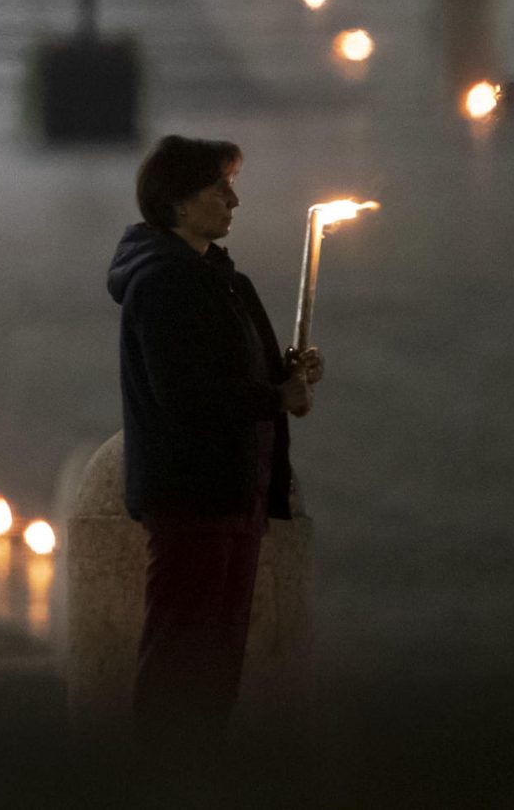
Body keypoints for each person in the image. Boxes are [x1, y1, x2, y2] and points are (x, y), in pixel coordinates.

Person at [107, 134, 321, 742]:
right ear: (177, 201)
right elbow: (185, 395)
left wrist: (289, 374)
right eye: (219, 188)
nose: (234, 201)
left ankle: (199, 770)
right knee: (181, 649)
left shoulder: (222, 279)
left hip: (235, 490)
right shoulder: (162, 284)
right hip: (193, 494)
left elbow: (244, 372)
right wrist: (275, 397)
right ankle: (162, 772)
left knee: (219, 655)